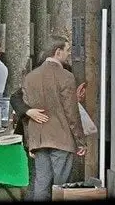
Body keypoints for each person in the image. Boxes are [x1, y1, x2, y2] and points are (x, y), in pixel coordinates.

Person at [22, 35, 87, 201]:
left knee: (41, 185)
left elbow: (27, 113)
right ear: (58, 52)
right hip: (61, 138)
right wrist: (80, 140)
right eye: (67, 50)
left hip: (39, 138)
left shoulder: (30, 77)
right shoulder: (66, 77)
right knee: (61, 188)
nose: (68, 54)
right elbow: (71, 112)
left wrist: (30, 142)